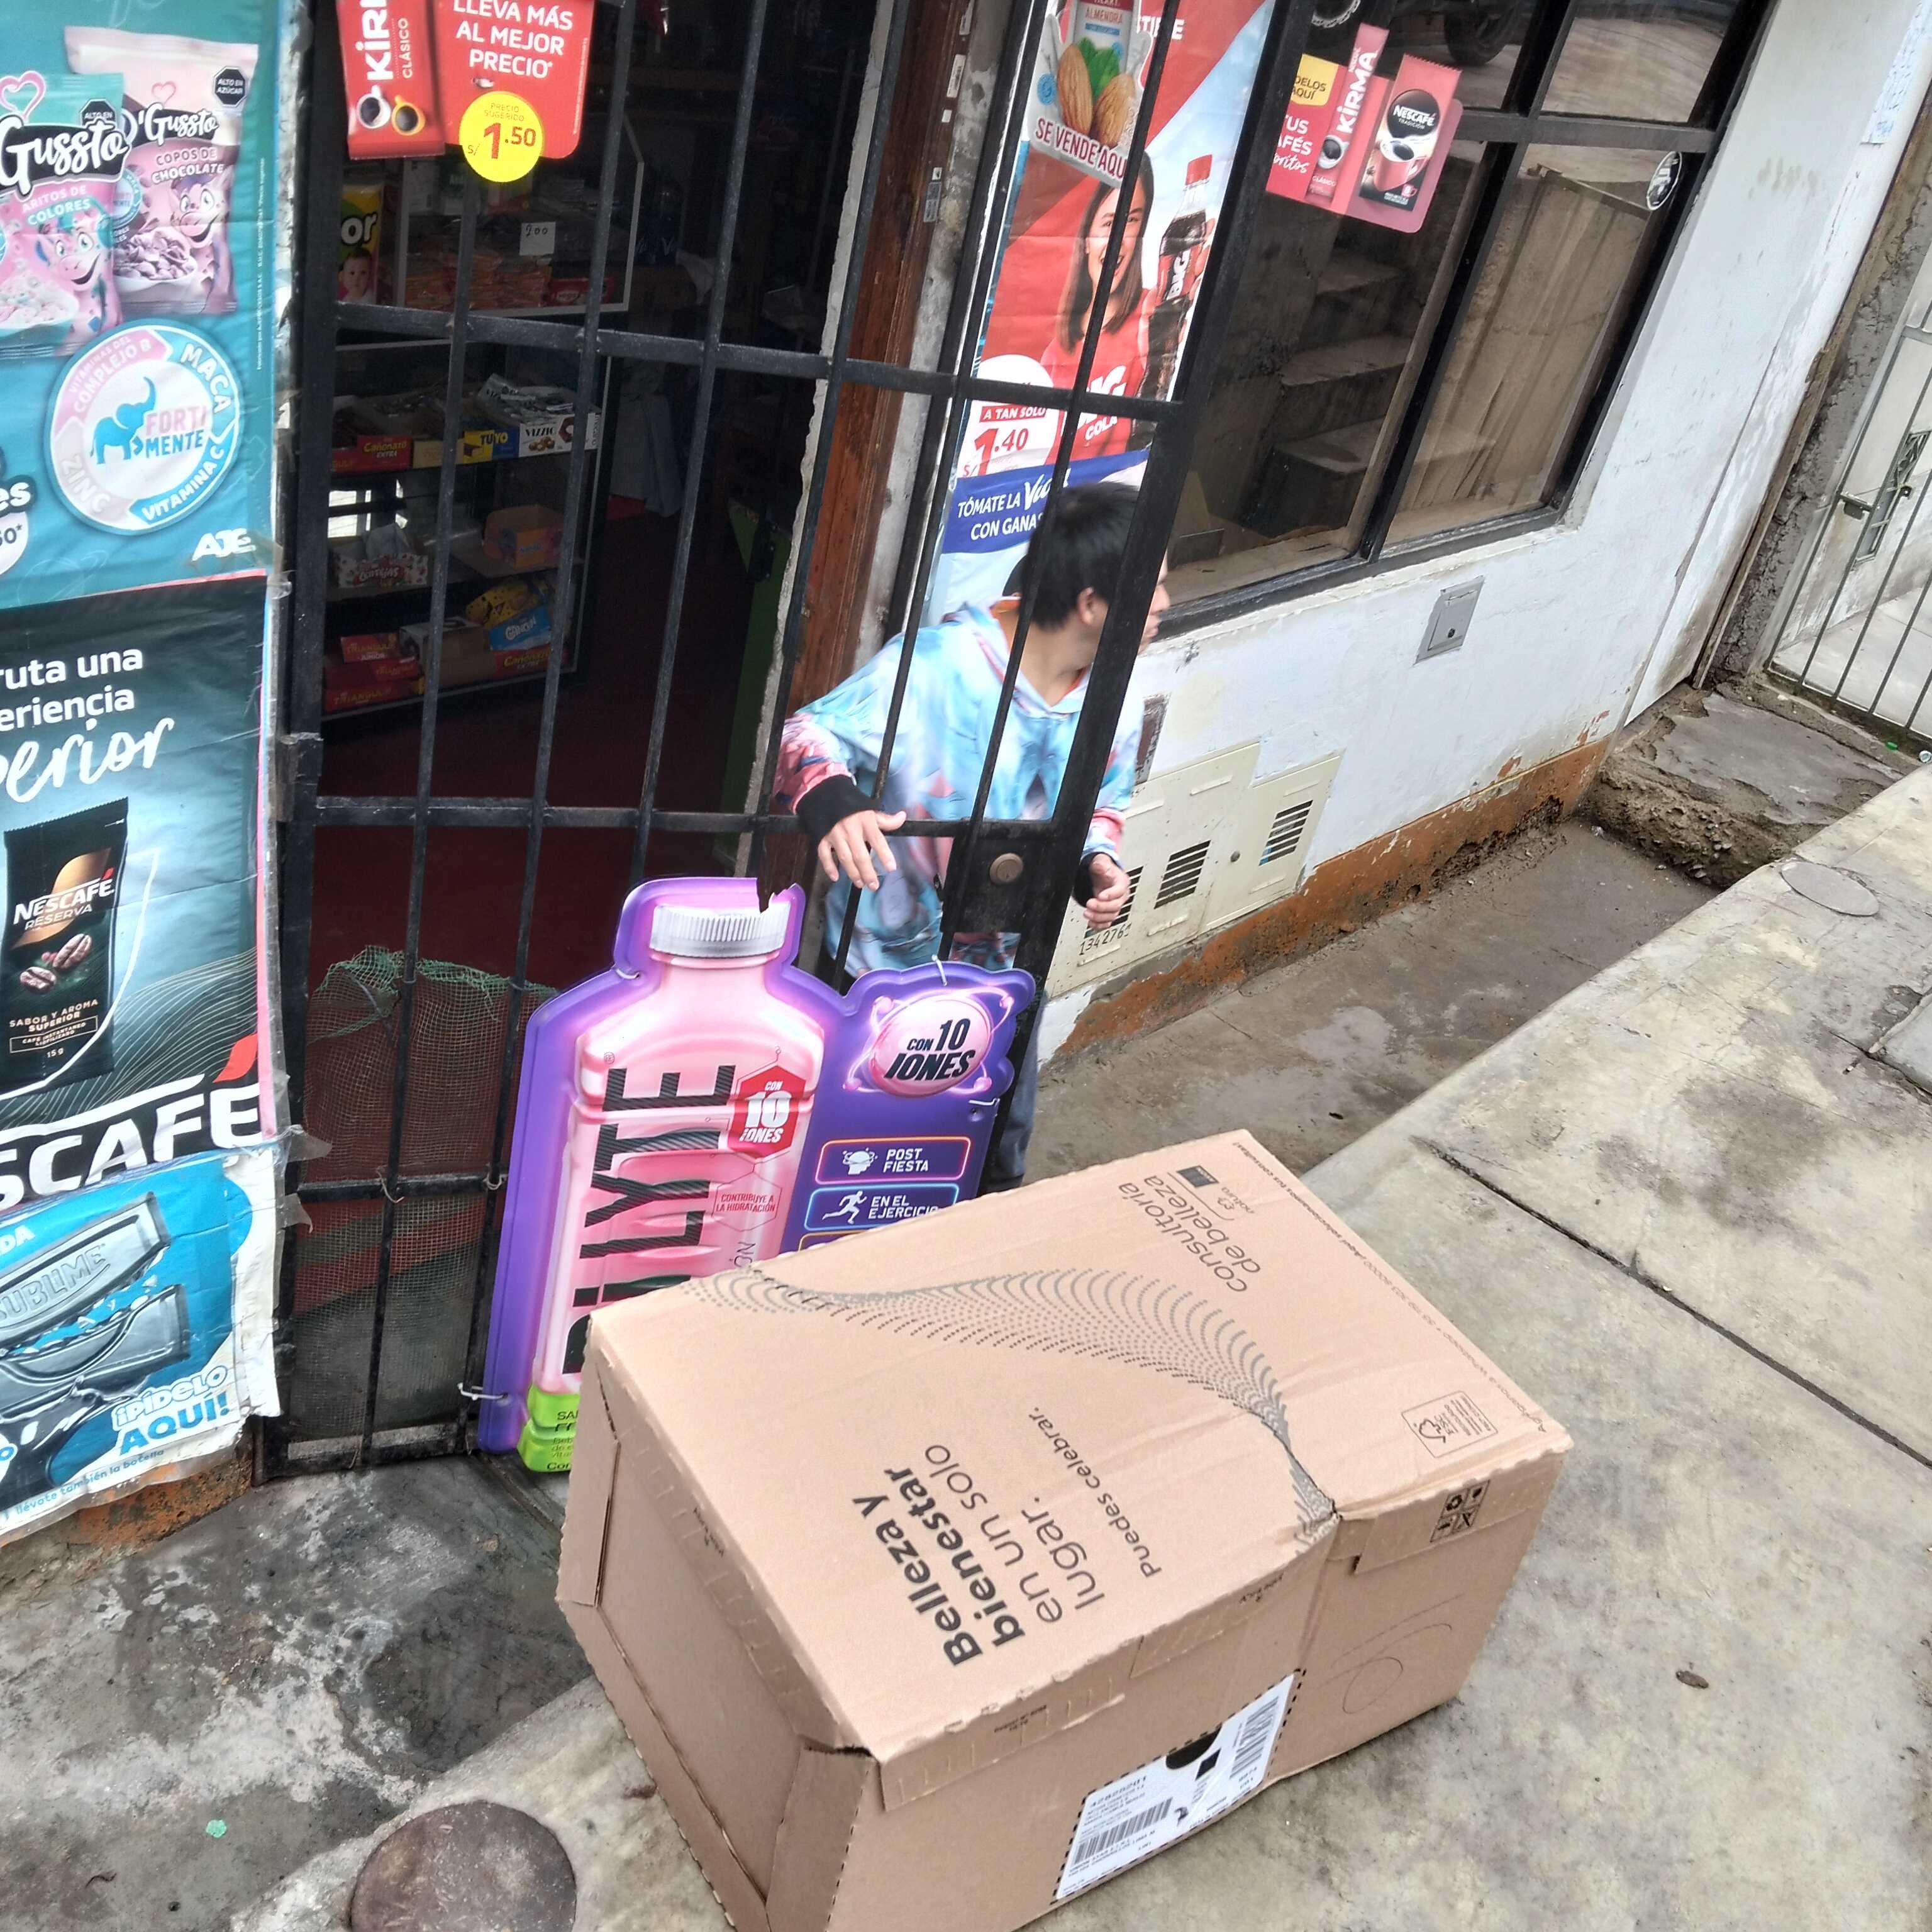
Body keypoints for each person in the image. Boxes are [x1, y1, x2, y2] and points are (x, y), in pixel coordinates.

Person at [775, 482, 1169, 1189]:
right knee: (847, 1166)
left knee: (989, 1160)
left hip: (1006, 981)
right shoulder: (936, 666)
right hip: (882, 975)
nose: (1166, 604)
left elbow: (1099, 809)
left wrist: (1097, 865)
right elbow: (808, 732)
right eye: (1155, 586)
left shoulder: (1117, 693)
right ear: (1091, 604)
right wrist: (837, 803)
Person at [1040, 160, 1153, 461]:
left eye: (1131, 220)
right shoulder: (1056, 353)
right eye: (1108, 223)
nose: (1118, 241)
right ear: (1086, 240)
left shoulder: (1153, 314)